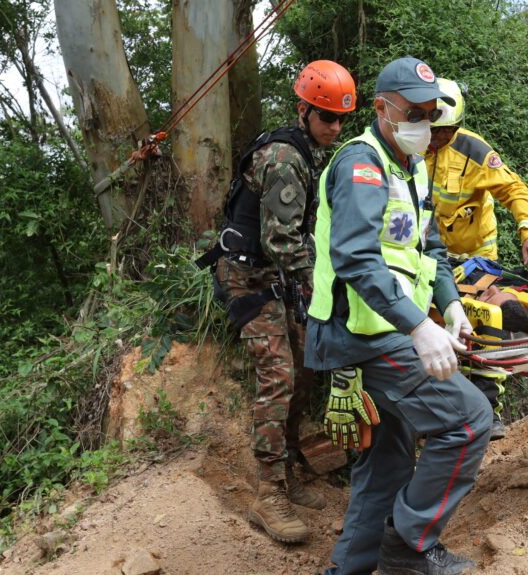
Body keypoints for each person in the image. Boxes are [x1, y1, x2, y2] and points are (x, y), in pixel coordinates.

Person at [306, 56, 491, 575]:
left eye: (431, 114)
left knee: (388, 456)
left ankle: (353, 569)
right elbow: (356, 257)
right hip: (362, 333)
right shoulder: (361, 164)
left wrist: (450, 305)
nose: (423, 125)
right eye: (413, 112)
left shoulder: (409, 165)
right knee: (469, 420)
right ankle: (408, 549)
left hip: (387, 328)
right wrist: (418, 326)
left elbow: (429, 245)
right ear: (381, 108)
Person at [204, 60, 356, 543]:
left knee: (310, 360)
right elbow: (284, 242)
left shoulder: (309, 152)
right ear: (303, 111)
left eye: (339, 119)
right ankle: (268, 493)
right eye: (325, 117)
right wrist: (320, 287)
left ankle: (290, 465)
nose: (333, 127)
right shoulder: (285, 157)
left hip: (275, 275)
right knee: (279, 372)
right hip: (247, 277)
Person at [424, 79, 528, 439]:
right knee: (431, 327)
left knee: (487, 321)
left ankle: (488, 407)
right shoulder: (408, 148)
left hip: (476, 257)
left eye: (445, 132)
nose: (436, 139)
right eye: (433, 131)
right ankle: (435, 410)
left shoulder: (474, 151)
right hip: (428, 257)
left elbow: (514, 189)